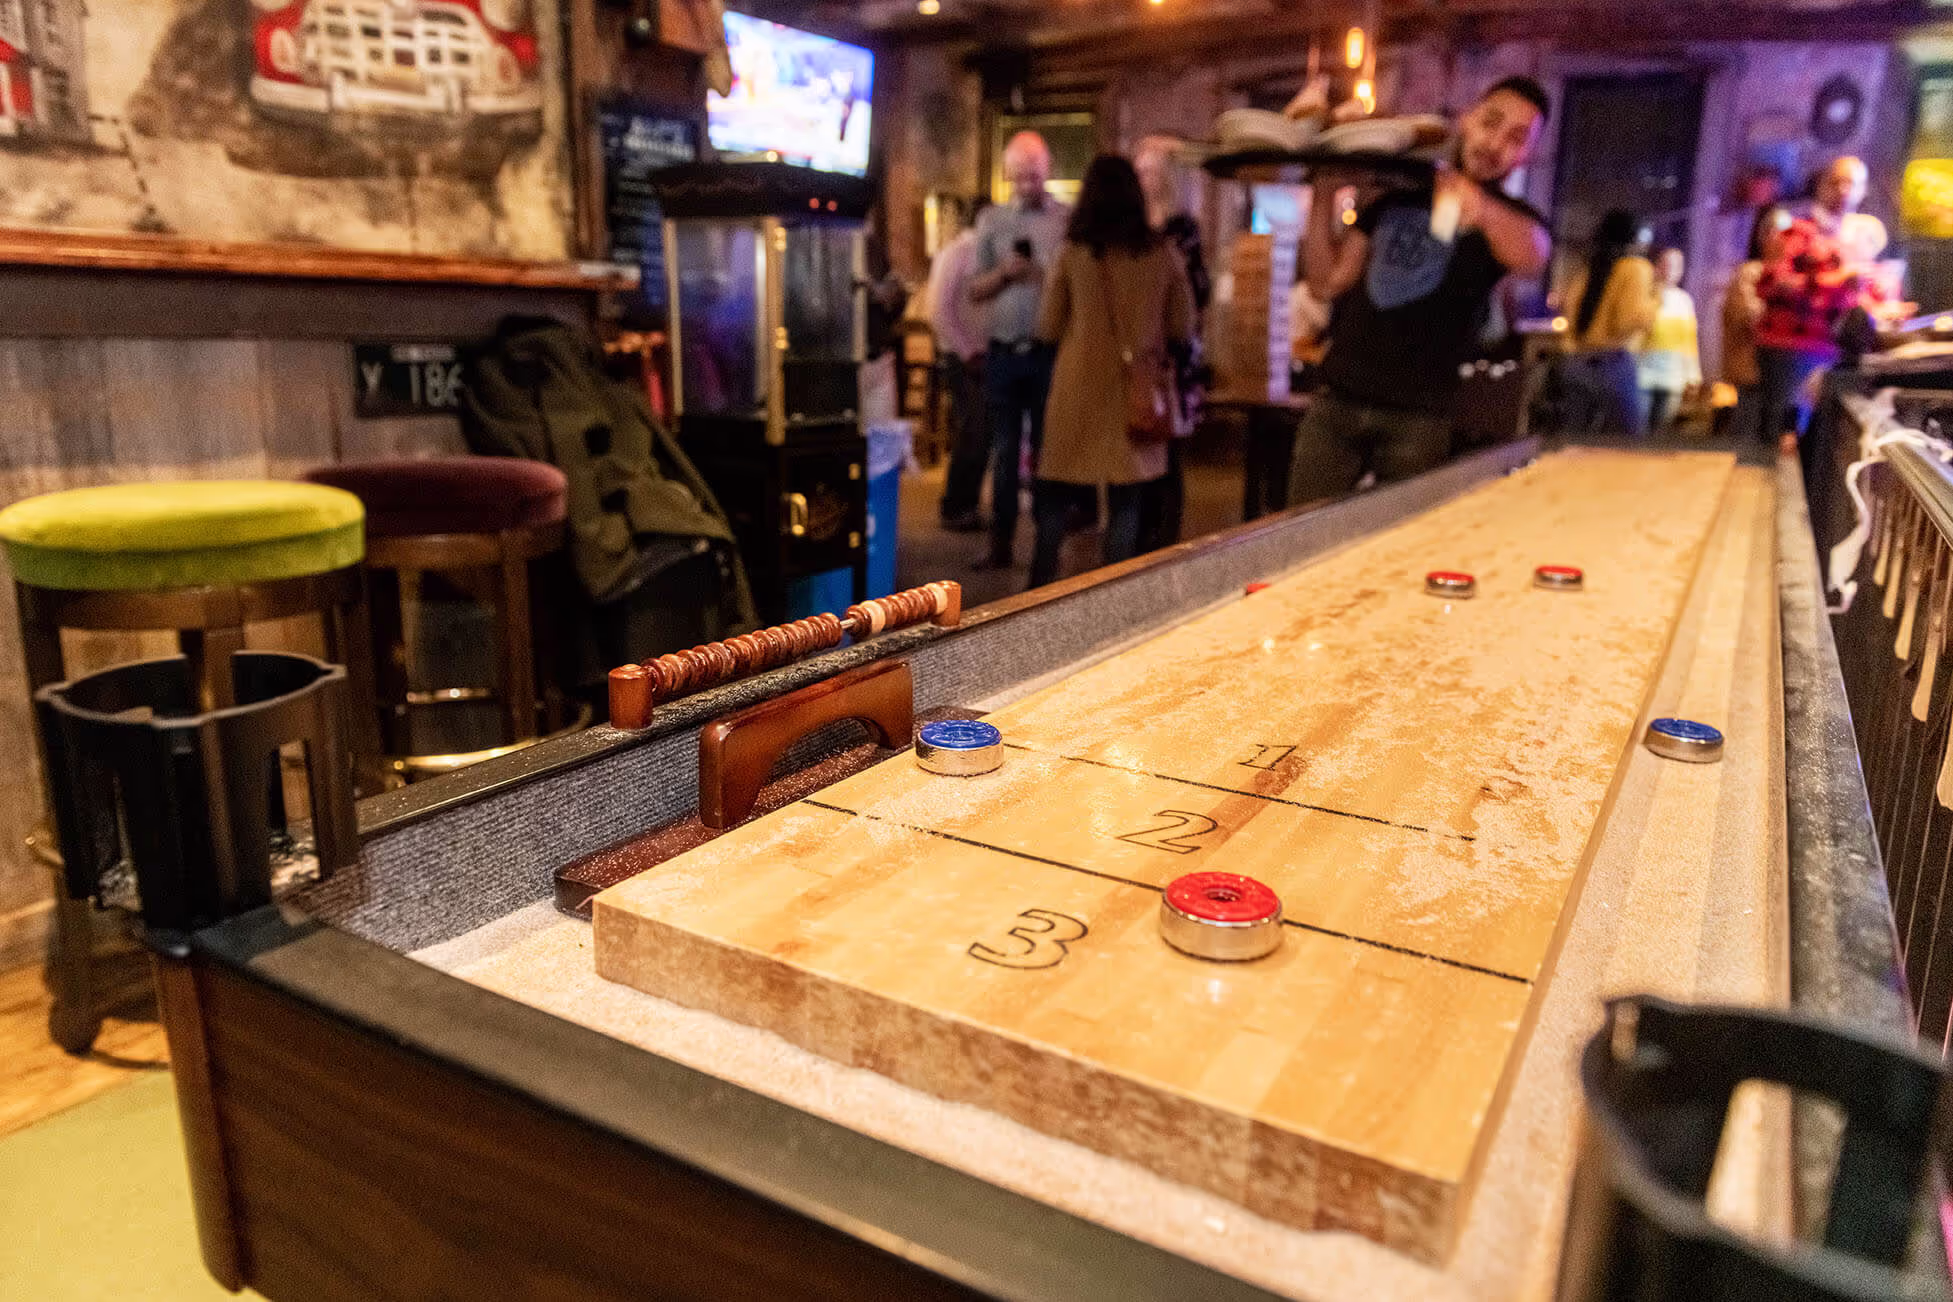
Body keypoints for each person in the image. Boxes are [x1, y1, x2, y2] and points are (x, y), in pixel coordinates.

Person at [1289, 77, 1552, 506]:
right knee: (1297, 537)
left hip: (1420, 414)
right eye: (1491, 123)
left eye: (1516, 139)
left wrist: (1480, 208)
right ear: (1467, 119)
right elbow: (1327, 282)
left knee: (1403, 544)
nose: (1495, 143)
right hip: (1337, 398)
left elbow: (1534, 254)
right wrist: (1322, 197)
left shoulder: (1511, 218)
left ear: (1525, 156)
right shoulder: (1397, 193)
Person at [1030, 154, 1195, 590]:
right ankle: (1110, 593)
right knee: (1126, 504)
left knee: (1055, 501)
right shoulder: (1163, 254)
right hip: (1135, 394)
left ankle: (1038, 589)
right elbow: (1184, 325)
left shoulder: (1072, 253)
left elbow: (1047, 327)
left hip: (1076, 392)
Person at [968, 131, 1070, 570]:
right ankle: (1000, 544)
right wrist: (1005, 274)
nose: (1028, 182)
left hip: (1048, 352)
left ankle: (1047, 550)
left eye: (1035, 174)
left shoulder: (1064, 221)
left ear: (1046, 171)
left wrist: (1042, 273)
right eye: (1020, 175)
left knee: (1049, 452)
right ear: (1009, 174)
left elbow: (1072, 287)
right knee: (1005, 452)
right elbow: (975, 288)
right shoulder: (991, 222)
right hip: (1004, 353)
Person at [1134, 136, 1211, 552]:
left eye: (1148, 171)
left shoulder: (1182, 229)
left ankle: (1163, 542)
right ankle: (1143, 538)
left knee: (1169, 450)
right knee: (1143, 446)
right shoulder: (1136, 230)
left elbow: (1198, 293)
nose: (1141, 179)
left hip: (1172, 358)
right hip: (1144, 353)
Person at [1557, 209, 1658, 435]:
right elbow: (1628, 321)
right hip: (1614, 363)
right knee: (1625, 447)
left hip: (1576, 362)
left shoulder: (1589, 270)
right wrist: (1656, 300)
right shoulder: (1636, 268)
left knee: (1574, 444)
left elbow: (1570, 316)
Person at [927, 196, 993, 532]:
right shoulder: (957, 254)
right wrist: (967, 351)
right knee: (972, 430)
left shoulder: (988, 255)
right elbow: (938, 309)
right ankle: (955, 505)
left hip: (983, 354)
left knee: (982, 431)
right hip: (963, 357)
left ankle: (967, 504)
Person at [1722, 205, 1789, 444]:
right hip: (1754, 373)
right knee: (1747, 441)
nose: (1782, 237)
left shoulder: (1792, 276)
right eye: (1775, 230)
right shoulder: (1751, 272)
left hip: (1782, 378)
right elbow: (1750, 316)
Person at [1637, 247, 1701, 433]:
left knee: (1660, 429)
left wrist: (1692, 374)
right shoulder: (1646, 296)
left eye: (1676, 266)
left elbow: (1689, 340)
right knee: (1638, 429)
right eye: (1666, 265)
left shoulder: (1684, 301)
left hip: (1672, 376)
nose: (1670, 270)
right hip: (1644, 373)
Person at [1805, 155, 1888, 272]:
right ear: (1821, 187)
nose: (1842, 190)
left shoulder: (1871, 228)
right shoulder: (1801, 226)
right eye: (1835, 182)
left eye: (1851, 183)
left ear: (1863, 190)